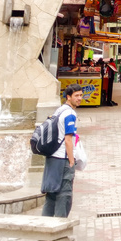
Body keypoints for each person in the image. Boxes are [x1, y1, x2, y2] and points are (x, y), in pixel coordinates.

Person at [41, 84, 83, 218]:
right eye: (76, 96)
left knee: (51, 194)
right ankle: (60, 231)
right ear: (68, 97)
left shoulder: (59, 110)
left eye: (81, 95)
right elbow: (68, 140)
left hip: (52, 157)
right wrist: (71, 161)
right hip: (62, 159)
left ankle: (45, 226)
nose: (79, 98)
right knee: (64, 195)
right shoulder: (70, 114)